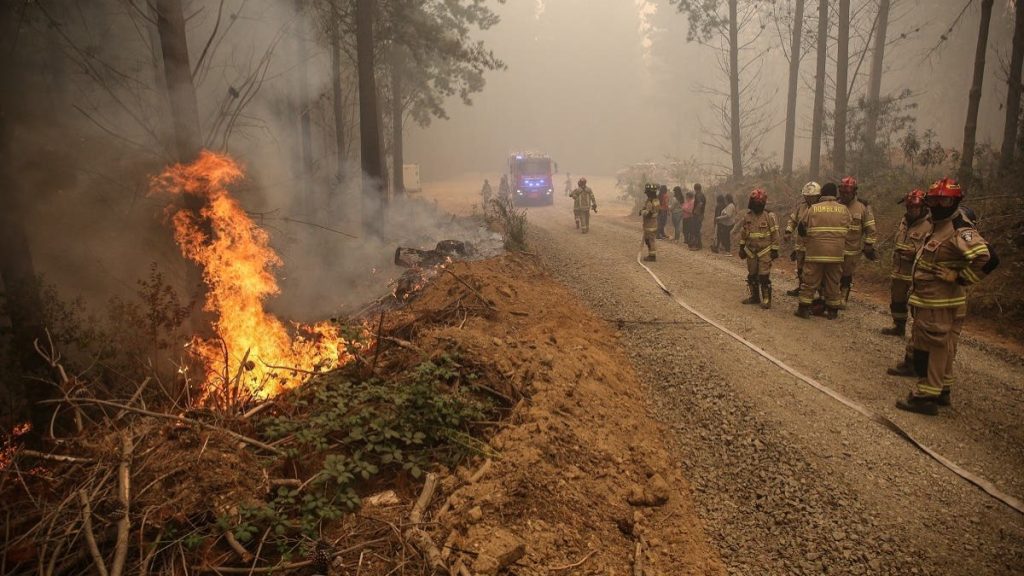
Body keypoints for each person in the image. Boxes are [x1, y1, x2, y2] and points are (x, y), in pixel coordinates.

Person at [893, 178, 997, 415]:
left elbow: (988, 258)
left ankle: (925, 396)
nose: (939, 204)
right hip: (936, 302)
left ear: (956, 201)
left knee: (930, 349)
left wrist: (960, 277)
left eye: (945, 200)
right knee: (945, 347)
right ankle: (942, 390)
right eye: (935, 199)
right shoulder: (936, 224)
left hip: (938, 302)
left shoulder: (959, 228)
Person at [794, 182, 850, 320]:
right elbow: (849, 227)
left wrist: (807, 239)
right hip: (836, 254)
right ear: (835, 194)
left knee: (810, 280)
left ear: (822, 194)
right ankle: (832, 311)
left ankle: (804, 309)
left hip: (815, 252)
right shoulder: (844, 210)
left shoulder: (813, 209)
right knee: (833, 282)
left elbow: (801, 227)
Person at [882, 189, 932, 337]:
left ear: (923, 207)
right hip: (898, 271)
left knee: (917, 306)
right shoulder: (904, 221)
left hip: (915, 274)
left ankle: (918, 335)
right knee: (897, 302)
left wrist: (915, 254)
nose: (912, 211)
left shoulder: (929, 225)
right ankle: (898, 327)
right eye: (909, 208)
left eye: (915, 208)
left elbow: (932, 252)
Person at [737, 188, 781, 309]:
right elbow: (743, 233)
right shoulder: (747, 216)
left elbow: (775, 234)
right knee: (751, 276)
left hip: (765, 251)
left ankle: (767, 299)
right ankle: (755, 297)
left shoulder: (769, 216)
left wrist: (775, 250)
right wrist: (741, 248)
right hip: (750, 251)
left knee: (764, 276)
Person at [837, 176, 877, 306]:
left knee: (846, 275)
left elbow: (870, 228)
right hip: (834, 248)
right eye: (842, 193)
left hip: (851, 250)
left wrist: (869, 244)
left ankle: (843, 296)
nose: (844, 195)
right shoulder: (835, 205)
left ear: (854, 192)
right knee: (831, 273)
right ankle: (830, 296)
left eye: (847, 193)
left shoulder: (862, 208)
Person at [784, 182, 822, 296]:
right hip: (801, 244)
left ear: (818, 196)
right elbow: (793, 220)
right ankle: (801, 287)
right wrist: (788, 231)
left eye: (812, 197)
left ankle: (819, 291)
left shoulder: (821, 209)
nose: (809, 199)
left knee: (815, 269)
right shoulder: (801, 207)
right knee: (800, 267)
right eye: (807, 196)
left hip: (815, 245)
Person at [640, 183, 660, 261]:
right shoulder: (656, 200)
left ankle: (652, 256)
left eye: (647, 192)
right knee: (649, 239)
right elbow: (656, 211)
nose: (646, 194)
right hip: (653, 223)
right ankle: (651, 254)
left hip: (650, 224)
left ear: (650, 192)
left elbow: (649, 213)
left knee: (650, 240)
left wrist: (641, 212)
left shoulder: (651, 201)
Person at [689, 183, 707, 250]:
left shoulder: (698, 195)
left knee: (696, 229)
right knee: (697, 230)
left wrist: (695, 212)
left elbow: (700, 204)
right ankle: (699, 245)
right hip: (700, 215)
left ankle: (696, 245)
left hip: (698, 215)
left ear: (695, 188)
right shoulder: (701, 195)